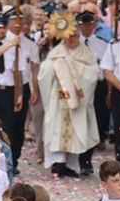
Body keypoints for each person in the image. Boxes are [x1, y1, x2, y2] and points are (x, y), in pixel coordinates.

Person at [38, 24, 99, 177]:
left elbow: (93, 73)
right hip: (58, 97)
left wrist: (76, 69)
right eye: (69, 36)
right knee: (57, 130)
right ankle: (58, 163)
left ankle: (71, 165)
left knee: (76, 131)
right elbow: (44, 72)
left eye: (75, 36)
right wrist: (56, 66)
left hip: (78, 98)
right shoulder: (56, 52)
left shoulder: (85, 52)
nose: (72, 39)